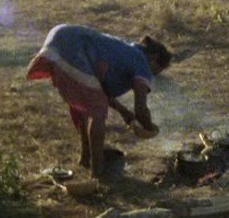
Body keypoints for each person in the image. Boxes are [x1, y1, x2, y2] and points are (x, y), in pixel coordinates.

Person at [26, 24, 172, 177]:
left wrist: (124, 113)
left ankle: (86, 158)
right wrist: (149, 127)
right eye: (158, 70)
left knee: (85, 105)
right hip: (72, 45)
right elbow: (141, 109)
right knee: (97, 111)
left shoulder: (124, 51)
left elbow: (99, 91)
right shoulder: (142, 63)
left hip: (60, 37)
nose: (154, 75)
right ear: (154, 58)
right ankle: (97, 173)